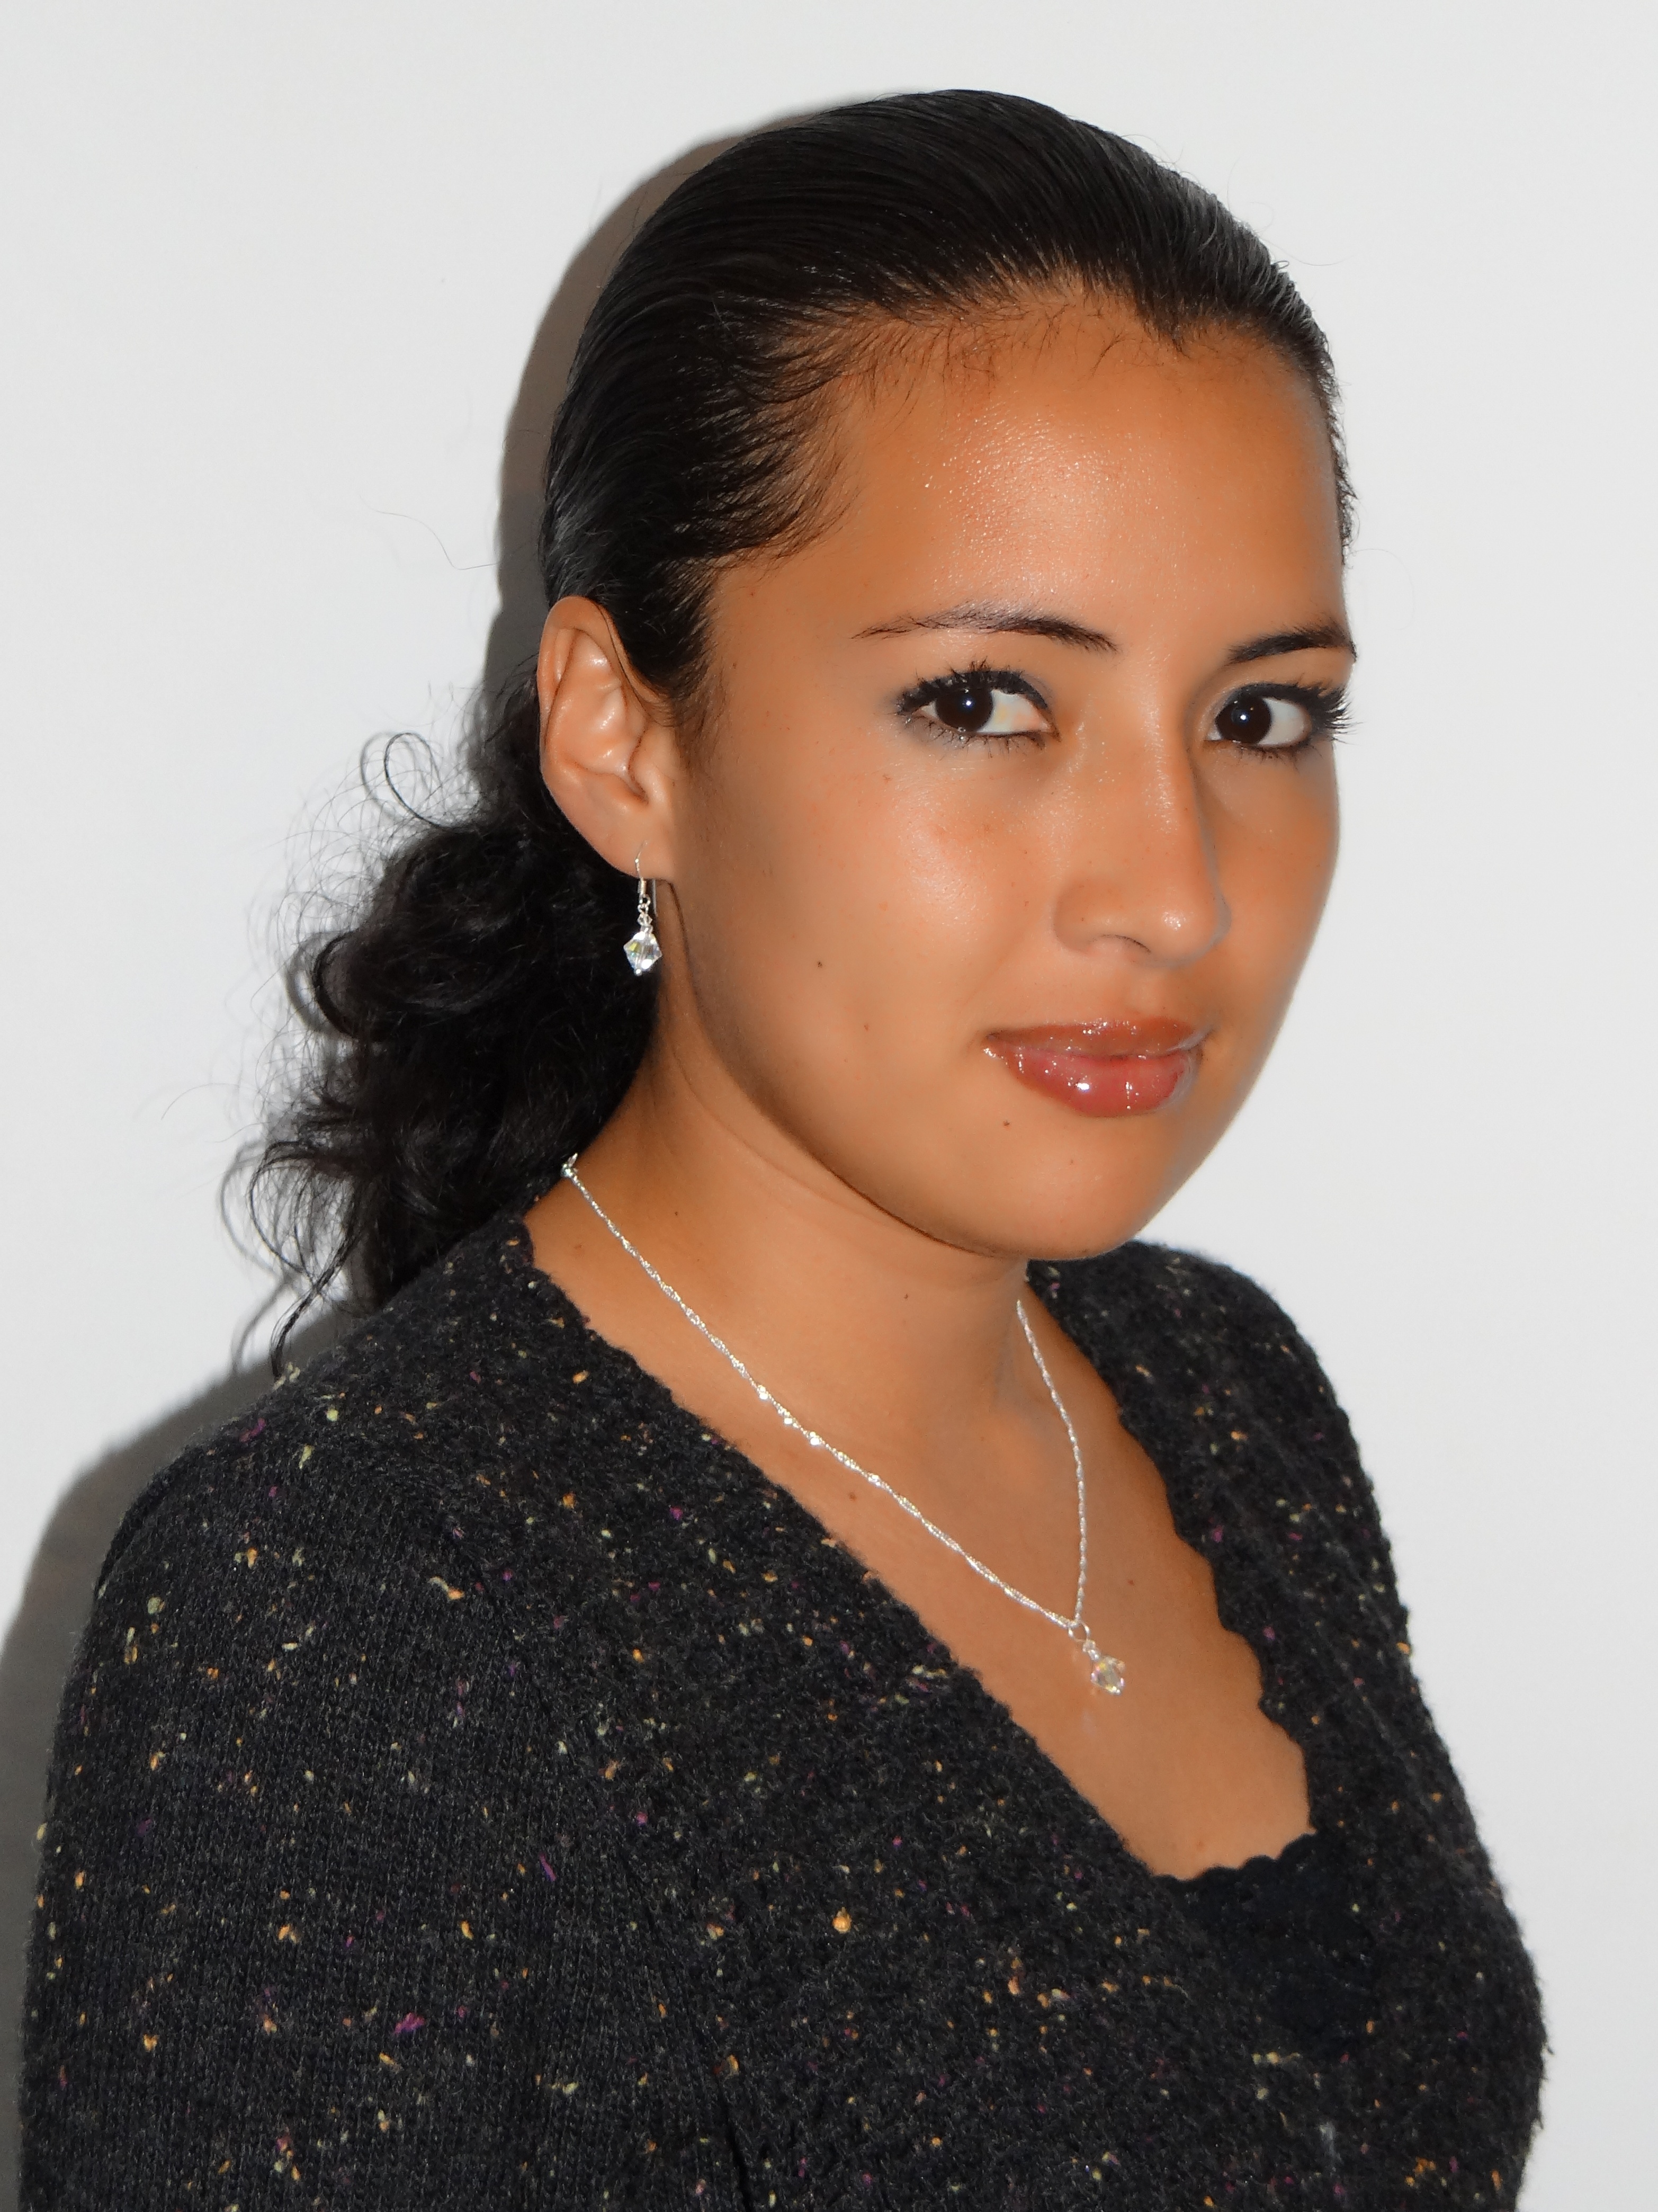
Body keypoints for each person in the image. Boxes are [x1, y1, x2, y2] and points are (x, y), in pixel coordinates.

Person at [22, 90, 1543, 2208]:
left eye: (1258, 715)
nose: (1175, 892)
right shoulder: (350, 1616)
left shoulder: (1224, 1394)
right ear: (622, 737)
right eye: (984, 702)